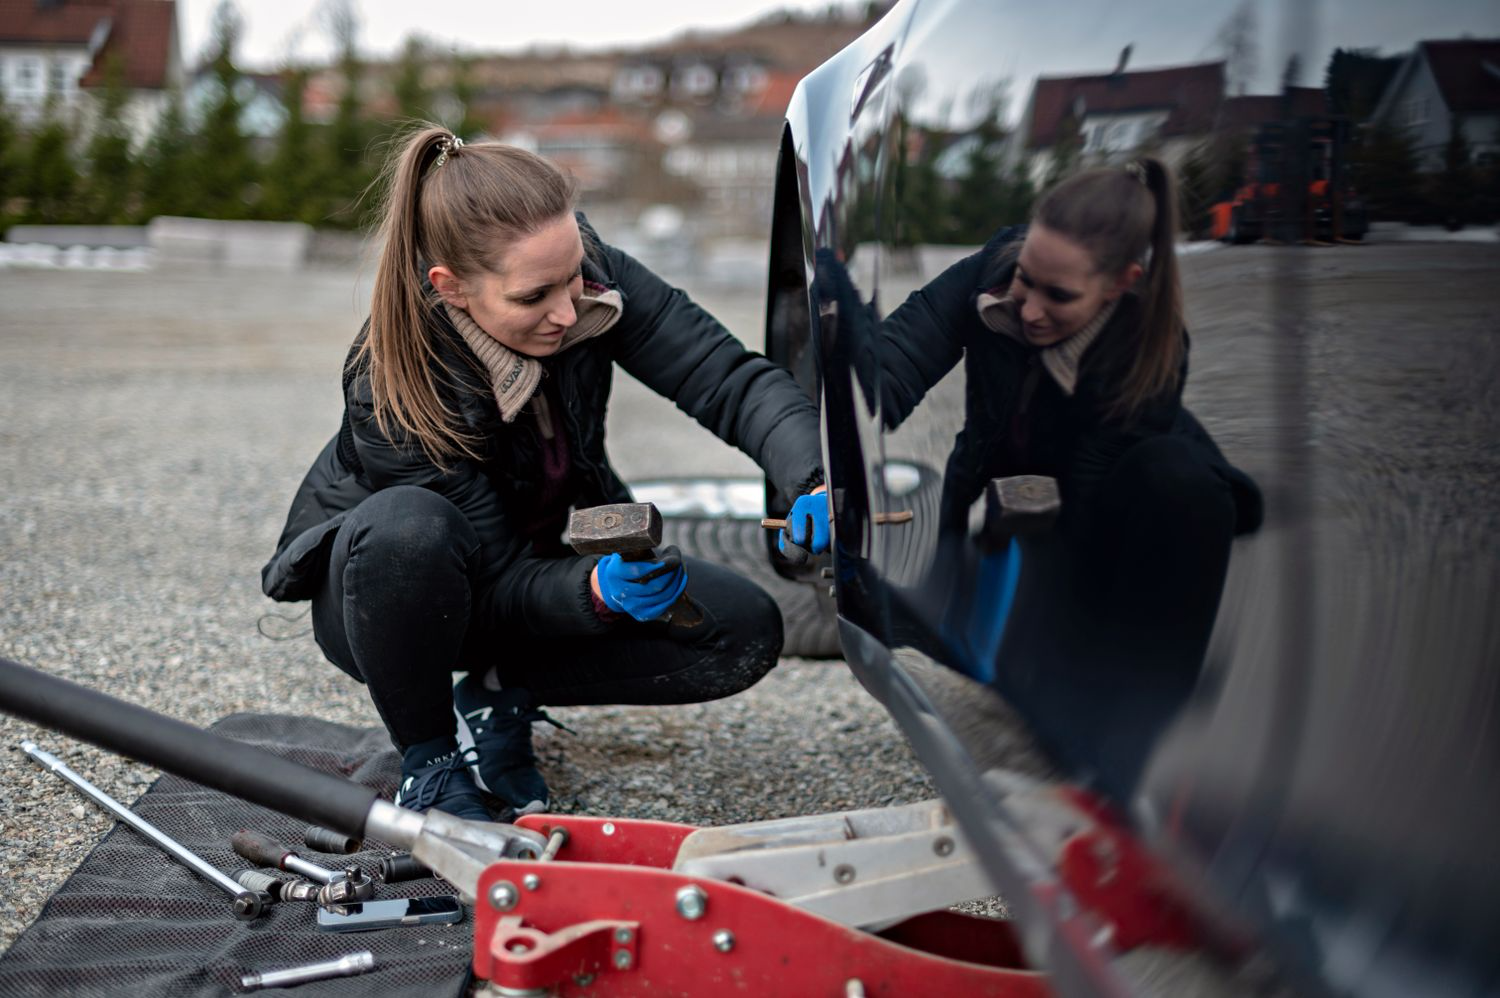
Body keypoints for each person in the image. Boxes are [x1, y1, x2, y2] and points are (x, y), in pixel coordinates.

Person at [261, 126, 831, 822]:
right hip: (399, 600)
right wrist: (594, 593)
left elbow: (726, 377)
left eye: (574, 277)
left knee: (741, 630)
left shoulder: (580, 272)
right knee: (408, 529)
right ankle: (431, 762)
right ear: (454, 288)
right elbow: (491, 588)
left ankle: (499, 692)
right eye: (535, 297)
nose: (568, 311)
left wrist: (812, 473)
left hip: (534, 568)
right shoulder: (392, 381)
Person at [873, 157, 1262, 798]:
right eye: (1027, 279)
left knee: (1075, 691)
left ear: (1119, 285)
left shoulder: (1150, 348)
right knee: (936, 623)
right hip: (1016, 483)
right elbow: (897, 354)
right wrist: (829, 438)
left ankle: (1145, 746)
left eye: (1059, 297)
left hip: (1128, 501)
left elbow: (1082, 513)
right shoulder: (994, 273)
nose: (1028, 310)